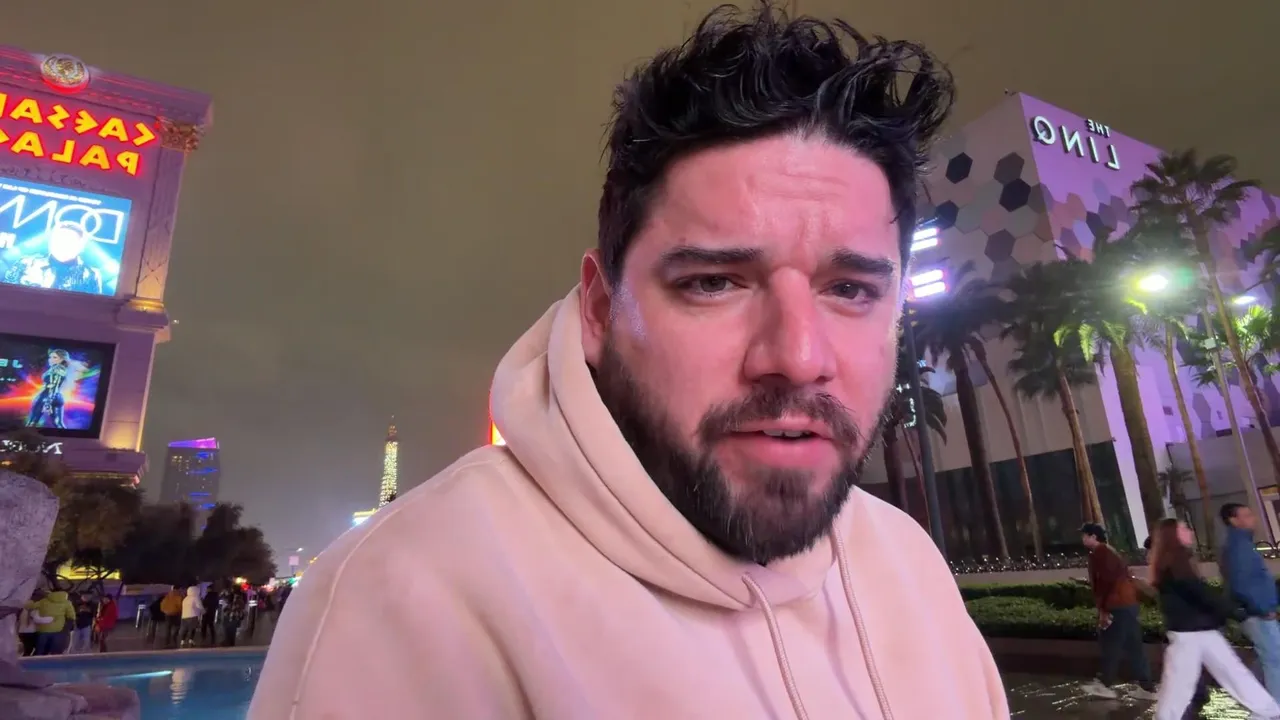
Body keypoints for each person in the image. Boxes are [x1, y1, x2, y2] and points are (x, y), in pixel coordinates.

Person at [251, 5, 1008, 719]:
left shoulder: (910, 568)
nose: (798, 357)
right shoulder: (407, 600)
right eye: (714, 282)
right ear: (599, 309)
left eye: (849, 290)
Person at [1148, 518, 1280, 719]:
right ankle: (1269, 711)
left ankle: (1269, 711)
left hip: (1199, 632)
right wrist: (1237, 611)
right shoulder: (1176, 566)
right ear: (1172, 535)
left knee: (1231, 673)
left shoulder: (1176, 564)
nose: (1189, 531)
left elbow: (1203, 596)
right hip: (1190, 635)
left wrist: (1233, 611)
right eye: (1183, 528)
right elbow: (1204, 596)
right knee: (1184, 684)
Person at [1080, 523, 1158, 699]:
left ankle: (1105, 684)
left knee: (1110, 643)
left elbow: (1106, 582)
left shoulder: (1100, 553)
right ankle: (1146, 687)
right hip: (1126, 602)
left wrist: (1103, 609)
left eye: (1085, 535)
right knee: (1133, 646)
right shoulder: (1108, 552)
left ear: (1093, 537)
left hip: (1117, 604)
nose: (1082, 539)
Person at [1221, 502, 1280, 703]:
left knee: (1268, 657)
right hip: (1257, 613)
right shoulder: (1239, 547)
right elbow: (1243, 583)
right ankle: (1273, 707)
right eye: (1246, 515)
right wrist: (1264, 609)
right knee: (1274, 659)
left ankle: (1259, 701)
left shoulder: (1241, 544)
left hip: (1255, 612)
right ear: (1233, 520)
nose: (1252, 518)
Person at [3, 223, 103, 294]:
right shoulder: (26, 263)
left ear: (81, 246)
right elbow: (5, 293)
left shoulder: (91, 274)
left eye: (69, 241)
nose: (62, 244)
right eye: (58, 239)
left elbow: (93, 308)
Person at [26, 589, 75, 656]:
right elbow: (71, 616)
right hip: (58, 629)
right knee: (55, 651)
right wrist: (66, 627)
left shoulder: (44, 601)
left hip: (44, 629)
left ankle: (38, 660)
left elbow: (31, 606)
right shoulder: (67, 603)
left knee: (40, 650)